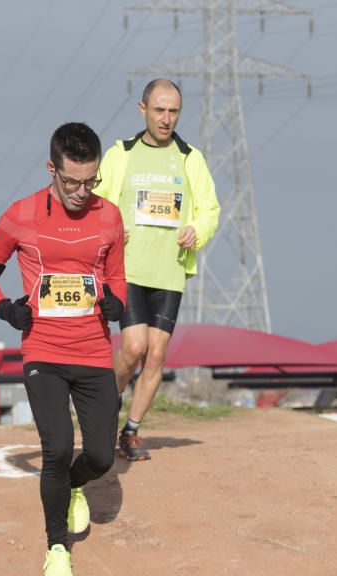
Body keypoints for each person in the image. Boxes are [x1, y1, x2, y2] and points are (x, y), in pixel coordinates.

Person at [0, 122, 126, 576]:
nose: (82, 191)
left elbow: (117, 277)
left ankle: (77, 484)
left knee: (99, 457)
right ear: (51, 169)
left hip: (94, 350)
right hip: (44, 349)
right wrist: (4, 309)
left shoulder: (110, 217)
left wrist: (116, 302)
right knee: (56, 448)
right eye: (72, 181)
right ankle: (57, 547)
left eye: (90, 181)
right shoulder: (20, 215)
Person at [95, 79, 220, 462]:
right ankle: (104, 406)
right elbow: (99, 204)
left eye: (173, 112)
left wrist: (195, 231)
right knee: (133, 348)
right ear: (142, 109)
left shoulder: (189, 158)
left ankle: (130, 431)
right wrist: (114, 229)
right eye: (159, 110)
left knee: (156, 354)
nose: (166, 119)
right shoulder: (121, 154)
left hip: (169, 271)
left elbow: (210, 210)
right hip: (128, 268)